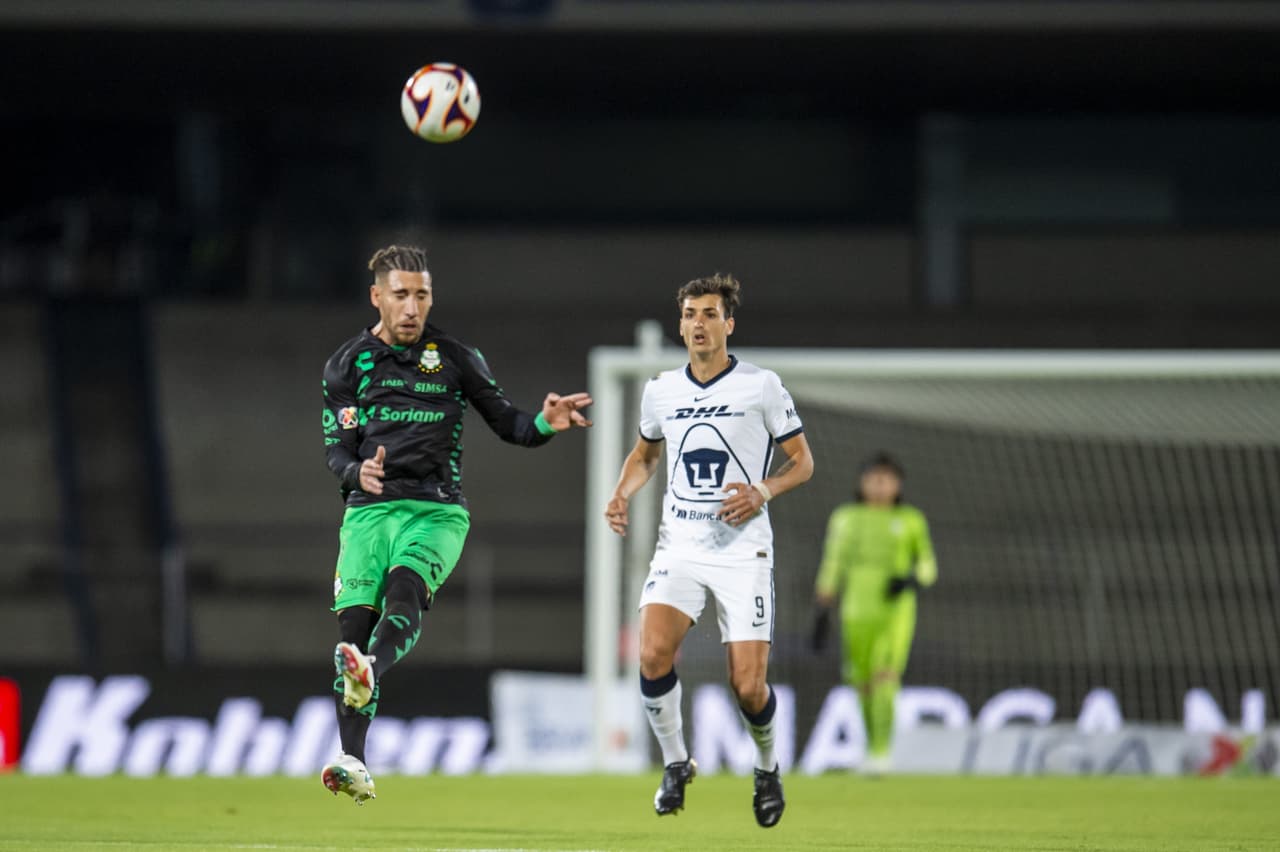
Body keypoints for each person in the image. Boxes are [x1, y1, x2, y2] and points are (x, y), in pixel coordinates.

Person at [319, 245, 592, 803]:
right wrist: (356, 472)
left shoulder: (456, 357)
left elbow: (511, 424)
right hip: (367, 514)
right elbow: (335, 449)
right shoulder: (346, 365)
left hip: (436, 509)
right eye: (401, 295)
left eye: (422, 295)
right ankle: (353, 758)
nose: (413, 306)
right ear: (377, 297)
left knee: (403, 594)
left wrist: (545, 420)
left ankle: (370, 668)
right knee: (350, 635)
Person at [604, 273, 814, 828]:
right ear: (681, 325)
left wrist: (762, 491)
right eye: (691, 314)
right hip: (680, 547)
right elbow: (646, 456)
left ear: (728, 324)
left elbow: (803, 461)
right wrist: (622, 493)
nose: (699, 323)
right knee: (651, 654)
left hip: (744, 553)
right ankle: (676, 763)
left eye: (709, 314)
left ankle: (767, 768)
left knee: (747, 686)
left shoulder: (760, 386)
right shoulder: (661, 390)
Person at [811, 451, 937, 775]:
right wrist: (823, 609)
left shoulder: (911, 519)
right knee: (861, 681)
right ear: (862, 482)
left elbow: (927, 564)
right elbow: (832, 563)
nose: (880, 485)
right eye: (873, 478)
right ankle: (870, 749)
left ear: (898, 485)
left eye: (887, 479)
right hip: (855, 609)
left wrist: (911, 579)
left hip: (895, 610)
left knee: (885, 676)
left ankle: (883, 752)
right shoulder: (845, 517)